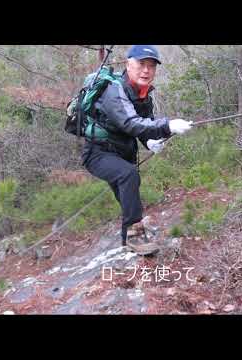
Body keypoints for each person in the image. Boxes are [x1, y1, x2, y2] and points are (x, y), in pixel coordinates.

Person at [81, 45, 193, 255]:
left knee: (129, 193)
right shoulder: (113, 90)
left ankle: (131, 240)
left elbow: (144, 125)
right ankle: (135, 238)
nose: (146, 70)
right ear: (128, 64)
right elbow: (130, 123)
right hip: (98, 153)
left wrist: (150, 142)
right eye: (141, 64)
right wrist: (168, 124)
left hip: (123, 153)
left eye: (151, 66)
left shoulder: (142, 94)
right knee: (128, 175)